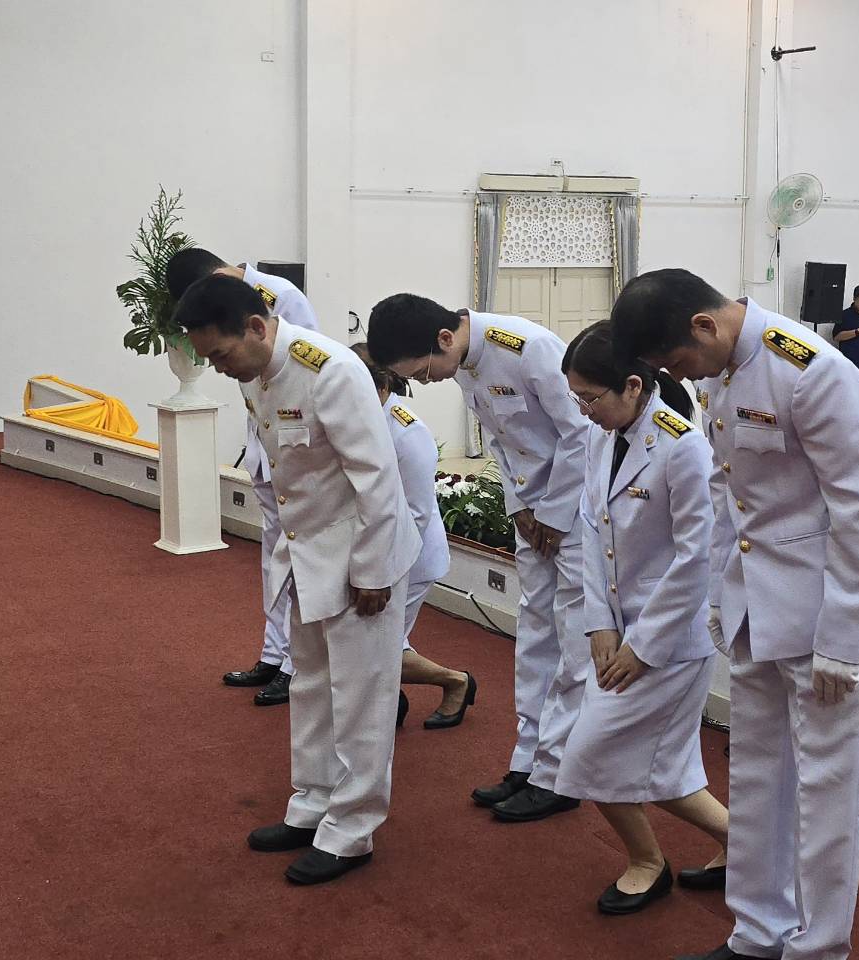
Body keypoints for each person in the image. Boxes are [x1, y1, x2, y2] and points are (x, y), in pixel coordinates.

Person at [611, 269, 859, 960]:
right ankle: (758, 932)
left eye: (677, 362)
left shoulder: (811, 371)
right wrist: (716, 594)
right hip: (753, 608)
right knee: (759, 774)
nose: (679, 377)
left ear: (704, 326)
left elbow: (858, 513)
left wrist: (842, 638)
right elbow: (724, 487)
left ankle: (819, 946)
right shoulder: (724, 368)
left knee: (826, 789)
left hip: (823, 612)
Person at [174, 274, 419, 885]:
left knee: (360, 699)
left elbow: (378, 477)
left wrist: (373, 571)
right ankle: (313, 804)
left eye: (221, 354)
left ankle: (353, 830)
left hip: (361, 557)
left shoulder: (330, 371)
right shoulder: (255, 372)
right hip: (309, 554)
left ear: (256, 327)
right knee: (311, 686)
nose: (219, 368)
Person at [367, 293, 589, 823]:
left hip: (577, 514)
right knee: (534, 637)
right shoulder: (465, 363)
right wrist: (520, 508)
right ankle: (528, 761)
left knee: (575, 642)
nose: (424, 383)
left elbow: (581, 435)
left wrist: (553, 514)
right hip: (534, 517)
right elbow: (503, 444)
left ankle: (561, 772)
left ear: (445, 339)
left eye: (423, 371)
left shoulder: (529, 349)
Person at [556, 321, 729, 916]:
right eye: (576, 399)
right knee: (663, 766)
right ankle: (745, 845)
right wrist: (599, 623)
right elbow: (589, 528)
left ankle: (648, 863)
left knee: (590, 755)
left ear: (633, 386)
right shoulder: (601, 436)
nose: (584, 411)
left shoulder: (683, 447)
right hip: (618, 632)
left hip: (669, 643)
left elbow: (696, 558)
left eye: (590, 398)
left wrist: (643, 645)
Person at [166, 248, 317, 708]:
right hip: (264, 443)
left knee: (296, 559)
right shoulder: (228, 299)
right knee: (273, 556)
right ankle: (273, 653)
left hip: (292, 447)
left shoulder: (281, 296)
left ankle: (295, 664)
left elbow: (301, 381)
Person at [350, 343, 477, 729]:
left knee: (377, 646)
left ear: (382, 386)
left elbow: (416, 514)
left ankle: (456, 682)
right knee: (373, 642)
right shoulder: (359, 420)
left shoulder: (406, 432)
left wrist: (381, 571)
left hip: (408, 560)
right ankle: (393, 701)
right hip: (372, 553)